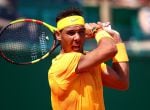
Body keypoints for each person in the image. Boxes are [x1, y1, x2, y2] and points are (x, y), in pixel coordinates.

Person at [48, 8, 129, 110]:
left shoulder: (89, 60)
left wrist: (116, 39)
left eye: (81, 32)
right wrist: (98, 30)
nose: (77, 37)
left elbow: (122, 82)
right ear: (58, 35)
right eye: (71, 33)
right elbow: (110, 49)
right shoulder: (63, 62)